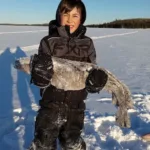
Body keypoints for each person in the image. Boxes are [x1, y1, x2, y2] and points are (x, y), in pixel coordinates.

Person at [29, 0, 107, 149]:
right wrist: (40, 74)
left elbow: (91, 69)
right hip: (51, 104)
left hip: (76, 106)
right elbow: (41, 80)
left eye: (75, 15)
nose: (70, 19)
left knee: (72, 141)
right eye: (66, 14)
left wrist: (95, 81)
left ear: (82, 18)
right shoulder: (48, 41)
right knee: (43, 142)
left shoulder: (87, 43)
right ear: (58, 15)